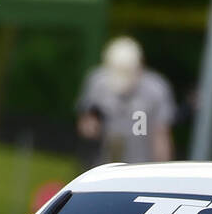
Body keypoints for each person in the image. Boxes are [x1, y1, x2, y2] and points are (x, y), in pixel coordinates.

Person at [75, 36, 175, 165]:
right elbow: (86, 122)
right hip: (102, 166)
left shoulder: (156, 89)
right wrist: (90, 127)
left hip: (140, 167)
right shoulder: (97, 82)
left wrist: (162, 171)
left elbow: (161, 135)